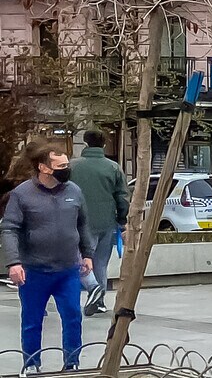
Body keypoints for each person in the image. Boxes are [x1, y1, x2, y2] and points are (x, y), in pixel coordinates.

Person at [1, 142, 94, 374]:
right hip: (34, 270)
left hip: (67, 269)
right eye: (60, 165)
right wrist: (14, 262)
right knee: (32, 321)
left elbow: (82, 224)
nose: (66, 169)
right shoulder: (22, 194)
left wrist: (88, 254)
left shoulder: (74, 191)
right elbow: (9, 228)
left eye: (67, 164)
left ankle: (72, 361)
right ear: (43, 167)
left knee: (73, 316)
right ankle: (32, 364)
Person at [68, 129, 127, 316]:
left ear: (85, 143)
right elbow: (123, 196)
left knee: (80, 260)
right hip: (106, 221)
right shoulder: (113, 167)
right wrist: (121, 218)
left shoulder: (72, 166)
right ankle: (99, 300)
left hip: (77, 222)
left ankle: (85, 293)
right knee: (100, 263)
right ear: (103, 145)